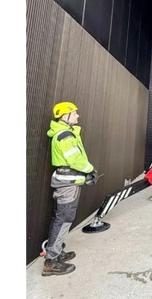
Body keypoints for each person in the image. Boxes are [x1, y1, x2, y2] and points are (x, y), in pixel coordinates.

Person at [42, 101, 98, 276]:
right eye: (74, 113)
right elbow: (75, 160)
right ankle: (51, 261)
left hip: (68, 182)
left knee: (62, 218)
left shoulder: (65, 133)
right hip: (67, 185)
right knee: (64, 219)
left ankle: (57, 252)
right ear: (65, 116)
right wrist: (90, 170)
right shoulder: (65, 136)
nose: (77, 115)